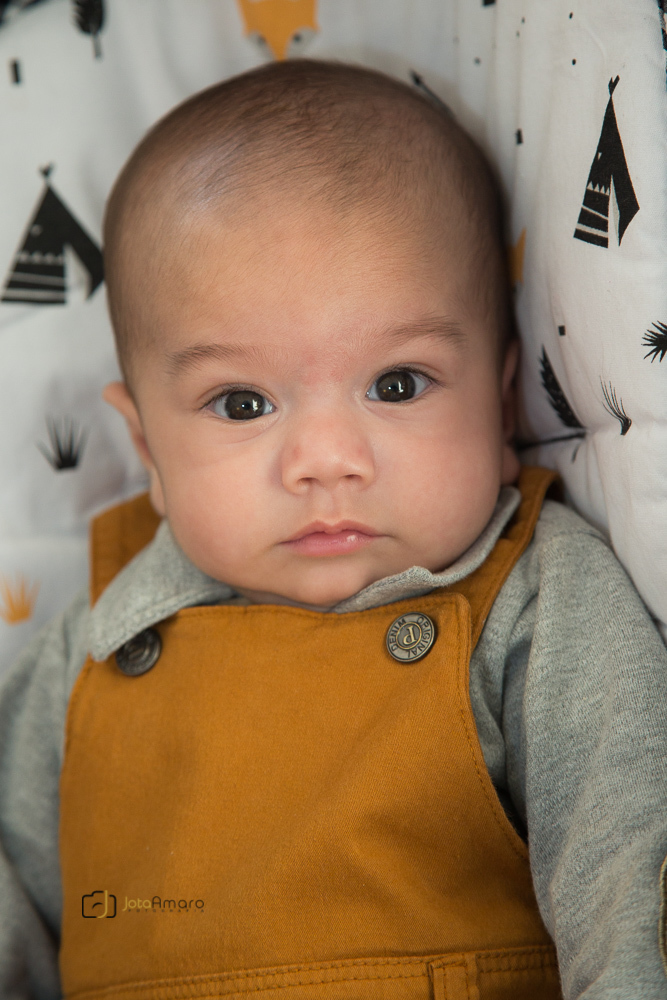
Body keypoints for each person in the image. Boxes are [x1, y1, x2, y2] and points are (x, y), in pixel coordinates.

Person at [1, 59, 666, 1000]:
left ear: (500, 401)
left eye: (397, 384)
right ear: (147, 450)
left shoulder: (537, 604)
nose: (323, 461)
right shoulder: (96, 642)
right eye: (241, 403)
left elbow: (627, 888)